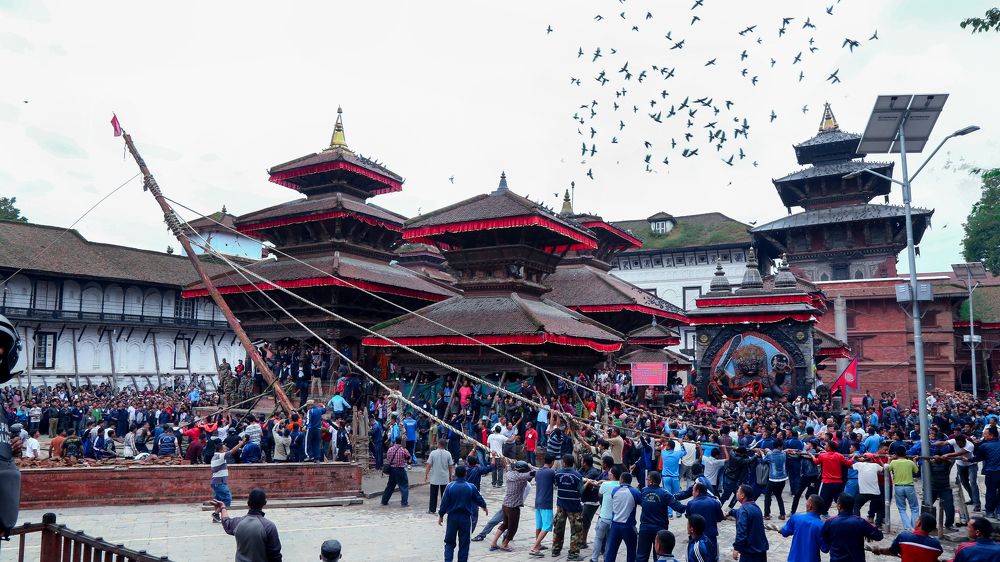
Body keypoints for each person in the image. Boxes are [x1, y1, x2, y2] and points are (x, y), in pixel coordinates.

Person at [212, 488, 282, 562]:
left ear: (248, 503)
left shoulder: (237, 523)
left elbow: (226, 521)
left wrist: (223, 507)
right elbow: (275, 555)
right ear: (264, 503)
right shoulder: (269, 527)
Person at [438, 465, 488, 562]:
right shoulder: (470, 487)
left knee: (449, 542)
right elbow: (478, 498)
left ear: (455, 474)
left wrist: (441, 515)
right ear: (466, 474)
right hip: (465, 518)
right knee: (464, 544)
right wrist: (484, 506)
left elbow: (444, 502)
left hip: (452, 518)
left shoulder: (450, 486)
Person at [637, 471, 686, 562]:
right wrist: (691, 506)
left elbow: (640, 502)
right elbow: (678, 507)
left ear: (651, 481)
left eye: (647, 479)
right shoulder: (664, 493)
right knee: (660, 557)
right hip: (660, 530)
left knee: (641, 557)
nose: (647, 481)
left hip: (645, 528)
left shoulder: (643, 491)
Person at [820, 494, 883, 562]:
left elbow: (824, 545)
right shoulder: (860, 522)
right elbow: (879, 536)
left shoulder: (830, 521)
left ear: (839, 506)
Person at [489, 459, 534, 552]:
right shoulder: (521, 476)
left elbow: (508, 466)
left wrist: (513, 463)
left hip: (505, 504)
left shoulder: (509, 473)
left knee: (504, 524)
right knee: (513, 528)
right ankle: (504, 545)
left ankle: (493, 543)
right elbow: (533, 473)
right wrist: (530, 466)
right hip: (513, 507)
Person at [551, 454, 586, 561]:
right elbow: (580, 491)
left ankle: (555, 550)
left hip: (561, 506)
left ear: (564, 463)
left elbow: (556, 484)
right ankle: (573, 553)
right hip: (574, 507)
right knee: (576, 531)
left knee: (558, 528)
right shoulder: (577, 475)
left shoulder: (558, 474)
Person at [870, 512, 942, 562]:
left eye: (917, 519)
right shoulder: (936, 545)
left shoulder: (904, 537)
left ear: (919, 523)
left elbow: (892, 551)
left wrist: (879, 550)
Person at [604, 471, 641, 562]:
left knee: (611, 551)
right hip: (628, 525)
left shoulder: (615, 490)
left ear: (622, 479)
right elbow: (641, 502)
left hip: (615, 525)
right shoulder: (635, 492)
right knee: (631, 551)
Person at [779, 494, 827, 562]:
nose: (805, 503)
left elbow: (785, 532)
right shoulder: (821, 526)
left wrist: (781, 530)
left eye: (807, 501)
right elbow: (825, 548)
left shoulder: (796, 518)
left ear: (810, 506)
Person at [210, 436, 246, 523]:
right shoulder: (220, 456)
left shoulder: (216, 456)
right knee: (227, 499)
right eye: (224, 445)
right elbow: (232, 451)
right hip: (220, 482)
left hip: (216, 482)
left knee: (219, 500)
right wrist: (241, 443)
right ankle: (215, 513)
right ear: (221, 447)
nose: (226, 446)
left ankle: (216, 516)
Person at [591, 466, 624, 562]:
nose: (608, 474)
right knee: (610, 541)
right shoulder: (621, 486)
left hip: (604, 517)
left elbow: (600, 494)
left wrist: (603, 483)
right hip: (614, 519)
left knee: (598, 539)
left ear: (612, 475)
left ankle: (594, 558)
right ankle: (607, 558)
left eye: (609, 473)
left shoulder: (605, 485)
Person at [810, 441, 851, 516]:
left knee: (821, 499)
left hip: (826, 482)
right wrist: (854, 457)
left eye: (826, 445)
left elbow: (816, 462)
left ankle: (820, 514)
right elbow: (848, 463)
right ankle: (842, 515)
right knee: (839, 500)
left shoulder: (823, 456)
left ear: (829, 447)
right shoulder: (839, 456)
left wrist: (812, 455)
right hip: (838, 482)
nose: (824, 446)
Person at [684, 482, 724, 557]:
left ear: (697, 491)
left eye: (693, 490)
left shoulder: (691, 503)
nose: (692, 493)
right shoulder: (715, 502)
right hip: (711, 535)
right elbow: (720, 518)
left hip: (696, 537)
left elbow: (689, 519)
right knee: (712, 557)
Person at [730, 485, 767, 562]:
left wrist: (736, 548)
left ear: (742, 495)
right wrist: (731, 512)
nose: (736, 493)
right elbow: (744, 514)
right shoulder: (756, 507)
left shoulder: (743, 510)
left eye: (738, 492)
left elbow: (741, 532)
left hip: (750, 552)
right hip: (761, 550)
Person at [528, 454, 556, 558]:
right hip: (546, 502)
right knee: (547, 525)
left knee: (539, 525)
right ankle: (535, 547)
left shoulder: (538, 472)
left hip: (538, 501)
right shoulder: (551, 472)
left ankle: (538, 544)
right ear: (552, 462)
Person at [886, 448, 920, 531]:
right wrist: (915, 460)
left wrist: (889, 460)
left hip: (898, 487)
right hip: (909, 486)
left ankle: (908, 528)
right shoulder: (910, 462)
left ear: (896, 454)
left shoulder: (894, 462)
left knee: (901, 508)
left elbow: (887, 470)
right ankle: (914, 527)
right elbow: (916, 471)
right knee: (914, 508)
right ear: (905, 454)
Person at [971, 425, 1000, 519]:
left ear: (991, 435)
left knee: (991, 492)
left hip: (992, 472)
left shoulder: (985, 446)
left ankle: (990, 512)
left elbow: (978, 458)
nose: (984, 437)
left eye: (985, 435)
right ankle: (999, 512)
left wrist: (968, 459)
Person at [852, 454, 884, 527]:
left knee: (856, 506)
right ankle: (878, 524)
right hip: (875, 492)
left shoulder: (859, 465)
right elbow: (885, 468)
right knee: (880, 509)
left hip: (863, 492)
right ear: (872, 459)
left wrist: (854, 457)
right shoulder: (875, 465)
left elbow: (849, 465)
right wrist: (879, 459)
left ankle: (857, 523)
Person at [381, 437, 411, 507]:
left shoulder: (390, 449)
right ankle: (404, 502)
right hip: (400, 469)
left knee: (390, 486)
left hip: (392, 470)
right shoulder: (403, 450)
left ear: (395, 441)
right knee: (404, 486)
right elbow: (408, 458)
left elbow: (388, 458)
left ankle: (384, 501)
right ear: (401, 442)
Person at [426, 439, 455, 514]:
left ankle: (432, 509)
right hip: (444, 477)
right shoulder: (448, 454)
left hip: (435, 477)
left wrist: (426, 474)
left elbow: (429, 465)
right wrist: (450, 476)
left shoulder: (433, 453)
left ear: (438, 444)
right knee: (445, 495)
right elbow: (450, 466)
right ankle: (445, 509)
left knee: (433, 494)